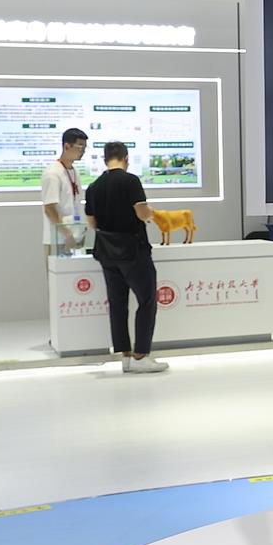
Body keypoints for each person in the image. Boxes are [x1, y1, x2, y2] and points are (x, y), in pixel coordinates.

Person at [85, 142, 167, 374]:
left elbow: (92, 223)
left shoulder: (93, 186)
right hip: (133, 250)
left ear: (104, 159)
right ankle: (141, 355)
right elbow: (141, 212)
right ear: (126, 158)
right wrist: (150, 214)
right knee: (147, 300)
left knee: (118, 305)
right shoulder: (131, 181)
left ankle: (126, 356)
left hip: (106, 252)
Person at [39, 127, 87, 259]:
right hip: (58, 239)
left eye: (84, 147)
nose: (83, 151)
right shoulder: (52, 173)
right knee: (57, 271)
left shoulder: (75, 171)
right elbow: (50, 209)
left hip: (75, 237)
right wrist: (67, 234)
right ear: (66, 146)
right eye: (80, 146)